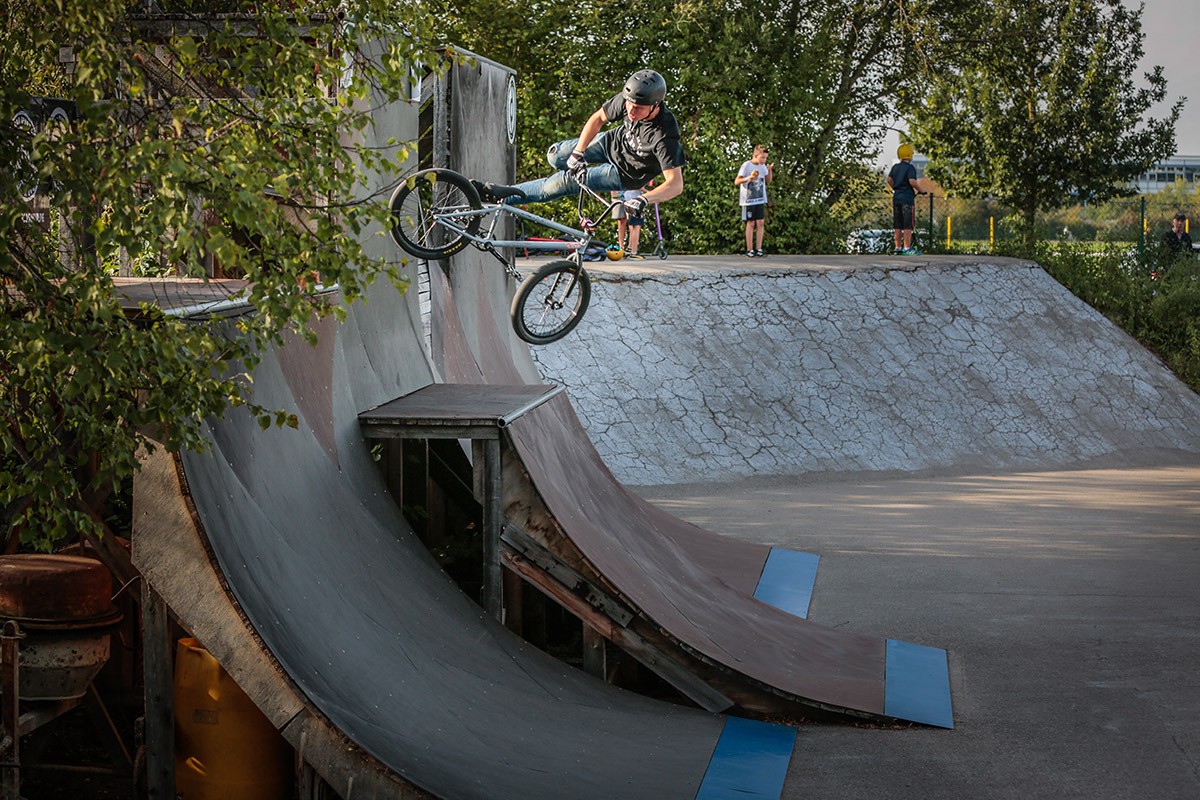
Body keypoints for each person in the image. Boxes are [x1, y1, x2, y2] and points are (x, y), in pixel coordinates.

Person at [475, 70, 686, 222]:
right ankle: (570, 164)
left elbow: (675, 184)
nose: (631, 111)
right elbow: (598, 118)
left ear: (655, 105)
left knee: (561, 184)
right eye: (629, 105)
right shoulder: (628, 99)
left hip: (625, 173)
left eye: (638, 109)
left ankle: (500, 195)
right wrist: (578, 153)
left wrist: (643, 200)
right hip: (609, 143)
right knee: (556, 156)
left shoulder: (664, 135)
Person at [734, 145, 772, 257]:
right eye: (762, 158)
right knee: (751, 223)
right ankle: (749, 249)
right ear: (755, 155)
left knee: (761, 222)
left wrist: (769, 170)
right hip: (749, 200)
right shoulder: (746, 165)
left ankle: (758, 248)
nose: (764, 160)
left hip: (760, 198)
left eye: (765, 158)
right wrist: (747, 179)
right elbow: (737, 181)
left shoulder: (763, 166)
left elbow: (768, 180)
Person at [886, 143, 924, 254]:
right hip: (907, 198)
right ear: (910, 154)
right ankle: (907, 248)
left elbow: (889, 179)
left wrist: (896, 188)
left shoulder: (895, 167)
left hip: (896, 198)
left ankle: (898, 247)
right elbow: (912, 181)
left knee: (897, 224)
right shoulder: (910, 168)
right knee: (908, 224)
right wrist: (921, 190)